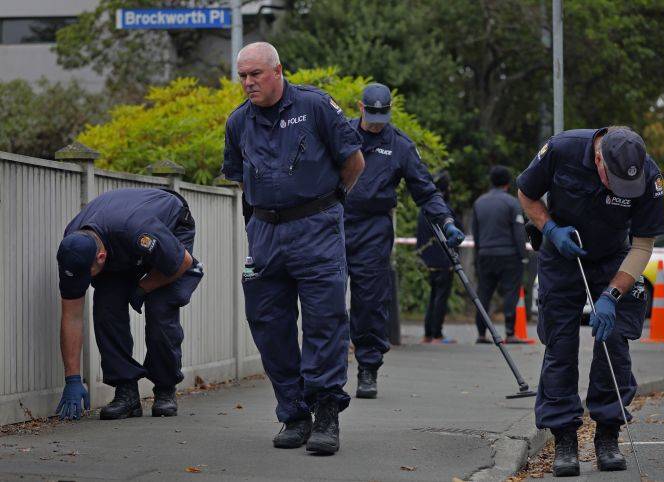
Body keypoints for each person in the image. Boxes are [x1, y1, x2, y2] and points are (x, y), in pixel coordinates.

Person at [221, 42, 365, 455]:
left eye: (256, 74)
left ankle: (325, 414)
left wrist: (329, 204)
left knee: (324, 320)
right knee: (266, 321)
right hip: (265, 234)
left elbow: (353, 162)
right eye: (243, 76)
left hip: (316, 228)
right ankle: (294, 412)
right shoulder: (238, 123)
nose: (248, 83)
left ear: (278, 71)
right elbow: (238, 176)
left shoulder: (315, 106)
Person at [517, 127, 664, 476]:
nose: (617, 189)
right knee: (561, 345)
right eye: (611, 179)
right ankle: (565, 439)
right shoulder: (561, 149)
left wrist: (612, 295)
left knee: (614, 343)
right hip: (562, 251)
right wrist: (549, 228)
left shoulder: (649, 174)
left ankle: (608, 435)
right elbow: (526, 193)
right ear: (599, 159)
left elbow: (643, 245)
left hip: (615, 256)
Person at [344, 83, 465, 399]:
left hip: (373, 228)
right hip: (334, 222)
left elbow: (425, 190)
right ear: (360, 107)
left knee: (370, 301)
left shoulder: (400, 146)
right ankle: (323, 372)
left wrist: (446, 221)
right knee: (325, 298)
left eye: (382, 115)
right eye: (371, 114)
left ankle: (368, 368)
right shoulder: (339, 131)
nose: (376, 121)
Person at [55, 188, 203, 421]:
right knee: (106, 307)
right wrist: (72, 378)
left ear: (101, 257)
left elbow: (181, 262)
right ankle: (127, 393)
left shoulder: (138, 230)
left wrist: (143, 287)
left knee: (159, 308)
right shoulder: (73, 247)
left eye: (88, 274)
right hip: (119, 244)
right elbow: (71, 316)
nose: (85, 281)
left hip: (169, 227)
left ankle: (165, 389)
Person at [472, 165, 528, 344]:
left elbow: (476, 233)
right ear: (507, 182)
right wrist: (523, 254)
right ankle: (510, 332)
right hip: (509, 255)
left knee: (484, 293)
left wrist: (478, 255)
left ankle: (481, 333)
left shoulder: (479, 202)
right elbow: (519, 232)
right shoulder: (512, 203)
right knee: (511, 292)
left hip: (485, 254)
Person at [416, 170, 459, 344]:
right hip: (443, 258)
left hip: (429, 259)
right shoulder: (443, 209)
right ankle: (437, 334)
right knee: (441, 297)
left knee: (433, 297)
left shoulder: (425, 209)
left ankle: (428, 333)